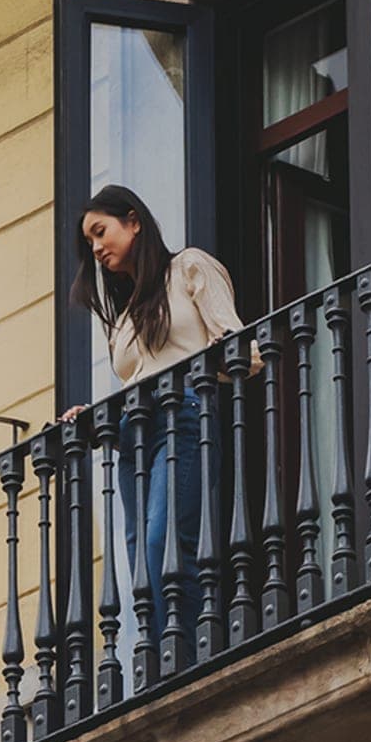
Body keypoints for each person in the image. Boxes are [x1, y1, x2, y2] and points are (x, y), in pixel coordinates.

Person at [60, 184, 246, 640]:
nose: (97, 248)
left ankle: (188, 650)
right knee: (141, 556)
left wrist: (225, 354)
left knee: (165, 539)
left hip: (184, 414)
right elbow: (132, 381)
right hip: (132, 437)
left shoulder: (189, 267)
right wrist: (94, 414)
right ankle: (160, 657)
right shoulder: (123, 319)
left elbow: (244, 348)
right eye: (90, 243)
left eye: (101, 232)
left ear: (133, 220)